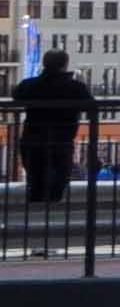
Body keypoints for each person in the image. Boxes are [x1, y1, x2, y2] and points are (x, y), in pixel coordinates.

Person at [15, 47, 92, 204]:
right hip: (61, 142)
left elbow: (16, 94)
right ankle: (49, 218)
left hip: (32, 141)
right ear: (65, 65)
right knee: (57, 186)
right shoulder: (76, 88)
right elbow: (92, 106)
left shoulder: (30, 85)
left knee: (35, 184)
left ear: (44, 64)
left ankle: (35, 220)